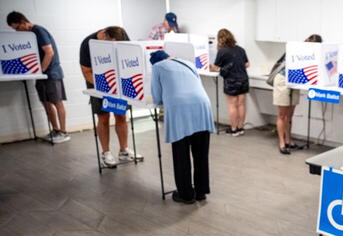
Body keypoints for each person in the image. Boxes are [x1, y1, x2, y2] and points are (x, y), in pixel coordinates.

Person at [150, 50, 214, 204]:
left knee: (181, 153)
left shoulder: (158, 67)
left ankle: (185, 194)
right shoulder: (188, 63)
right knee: (201, 153)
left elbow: (157, 96)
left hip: (180, 109)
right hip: (202, 106)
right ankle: (201, 191)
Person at [79, 26, 142, 167]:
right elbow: (86, 71)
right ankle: (106, 153)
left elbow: (131, 56)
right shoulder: (88, 43)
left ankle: (124, 151)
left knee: (121, 115)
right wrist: (105, 87)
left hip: (118, 82)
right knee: (103, 117)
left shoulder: (122, 35)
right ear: (104, 35)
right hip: (97, 82)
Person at [6, 11, 69, 143]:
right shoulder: (30, 35)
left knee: (57, 102)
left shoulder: (38, 31)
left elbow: (49, 52)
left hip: (51, 73)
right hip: (41, 75)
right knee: (45, 102)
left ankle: (64, 132)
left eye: (17, 28)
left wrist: (41, 70)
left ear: (23, 22)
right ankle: (56, 130)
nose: (18, 32)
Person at [270, 34, 322, 155]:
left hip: (294, 82)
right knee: (282, 115)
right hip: (283, 80)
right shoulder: (295, 49)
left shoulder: (312, 54)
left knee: (290, 115)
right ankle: (282, 143)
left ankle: (289, 140)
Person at [211, 28, 249, 137]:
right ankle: (240, 128)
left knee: (232, 105)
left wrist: (212, 67)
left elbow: (215, 67)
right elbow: (247, 64)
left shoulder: (222, 51)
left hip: (231, 80)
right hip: (243, 79)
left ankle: (233, 129)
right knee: (241, 104)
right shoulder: (241, 49)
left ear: (220, 39)